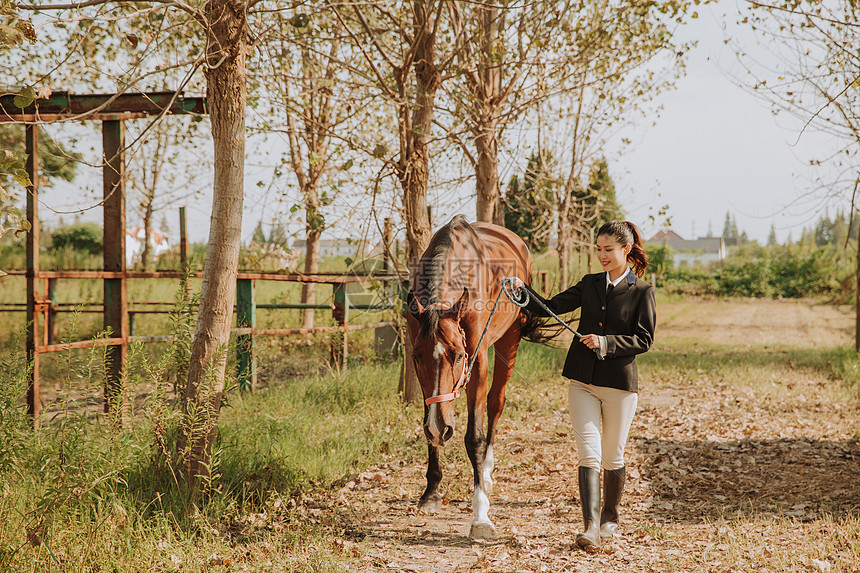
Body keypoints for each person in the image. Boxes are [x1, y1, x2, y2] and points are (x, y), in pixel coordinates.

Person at [511, 220, 656, 550]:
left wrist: (606, 343)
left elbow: (644, 339)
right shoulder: (590, 284)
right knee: (588, 453)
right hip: (582, 382)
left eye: (608, 250)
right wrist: (522, 292)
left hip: (619, 386)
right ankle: (590, 527)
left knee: (612, 454)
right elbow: (554, 305)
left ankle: (610, 517)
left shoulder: (642, 292)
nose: (602, 256)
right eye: (598, 250)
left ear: (626, 250)